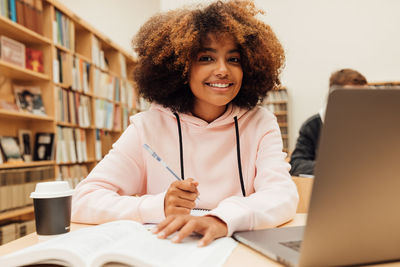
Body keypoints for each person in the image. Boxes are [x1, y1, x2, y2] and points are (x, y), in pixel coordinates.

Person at [72, 0, 298, 247]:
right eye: (206, 58)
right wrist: (159, 206)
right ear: (180, 66)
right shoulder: (147, 127)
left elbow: (283, 195)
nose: (223, 70)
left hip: (238, 252)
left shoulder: (260, 123)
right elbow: (82, 200)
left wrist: (221, 219)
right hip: (170, 250)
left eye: (233, 59)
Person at [289, 68, 368, 176]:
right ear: (334, 96)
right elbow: (296, 165)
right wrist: (334, 167)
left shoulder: (369, 125)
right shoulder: (312, 126)